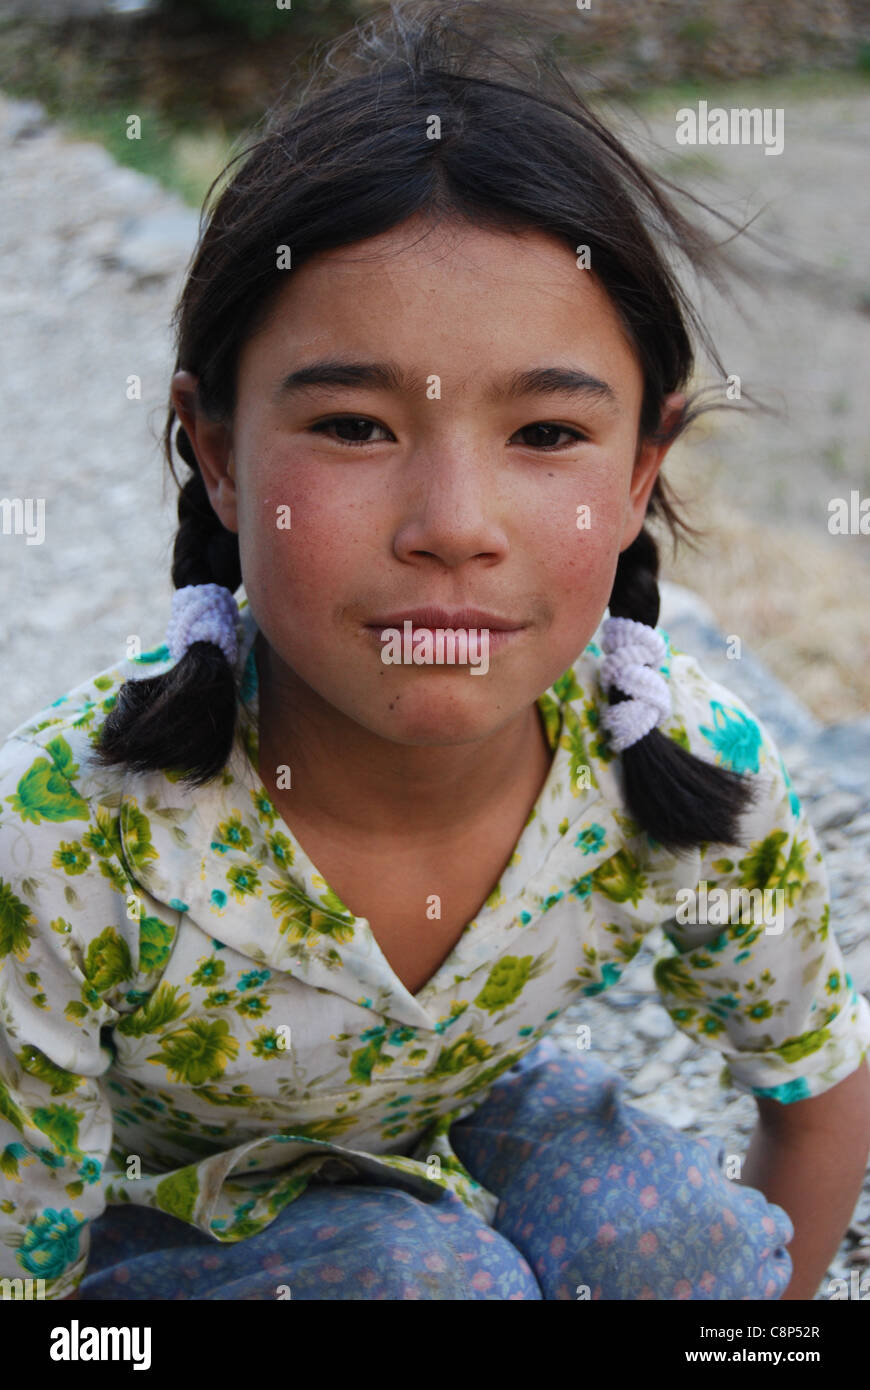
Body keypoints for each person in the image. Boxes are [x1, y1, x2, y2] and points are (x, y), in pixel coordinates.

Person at [2, 0, 869, 1303]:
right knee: (423, 1277)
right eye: (354, 426)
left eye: (546, 435)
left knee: (672, 1246)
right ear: (221, 454)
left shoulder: (682, 768)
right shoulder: (67, 838)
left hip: (440, 1130)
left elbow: (816, 1091)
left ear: (642, 470)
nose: (454, 525)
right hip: (154, 1232)